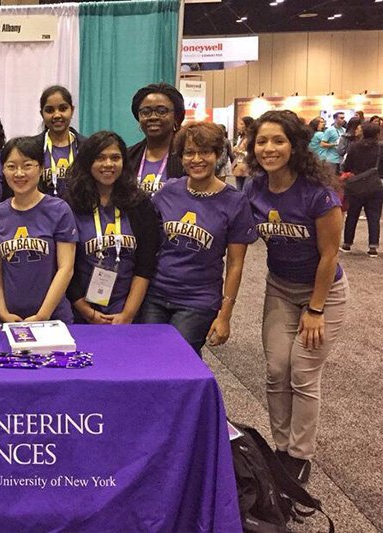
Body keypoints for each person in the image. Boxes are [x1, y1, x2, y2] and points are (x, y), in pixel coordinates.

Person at [244, 110, 348, 484]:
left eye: (278, 141)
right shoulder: (253, 189)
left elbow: (330, 255)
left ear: (294, 145)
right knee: (275, 371)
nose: (269, 148)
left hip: (324, 293)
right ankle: (281, 447)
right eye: (261, 141)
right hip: (280, 288)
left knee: (303, 373)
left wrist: (316, 309)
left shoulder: (318, 194)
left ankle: (300, 455)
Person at [138, 121, 257, 356]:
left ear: (217, 154)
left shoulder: (234, 201)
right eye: (189, 153)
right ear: (180, 158)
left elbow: (235, 264)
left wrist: (225, 314)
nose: (197, 159)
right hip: (156, 294)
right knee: (150, 357)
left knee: (175, 356)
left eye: (204, 152)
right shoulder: (168, 191)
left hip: (198, 299)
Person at [64, 131, 161, 324]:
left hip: (127, 310)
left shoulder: (140, 204)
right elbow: (65, 265)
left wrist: (128, 314)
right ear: (87, 162)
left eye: (115, 158)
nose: (108, 164)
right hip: (81, 311)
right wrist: (86, 311)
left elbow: (145, 265)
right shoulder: (70, 204)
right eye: (100, 158)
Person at [0, 136, 78, 324]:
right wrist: (2, 311)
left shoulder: (59, 210)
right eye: (11, 166)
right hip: (11, 319)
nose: (19, 173)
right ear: (3, 170)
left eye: (27, 165)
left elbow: (66, 268)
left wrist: (42, 316)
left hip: (53, 318)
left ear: (41, 168)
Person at [128, 83, 186, 195]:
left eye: (162, 111)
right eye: (145, 112)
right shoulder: (128, 156)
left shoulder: (188, 156)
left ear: (176, 117)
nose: (153, 117)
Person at [31, 85, 85, 197]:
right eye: (50, 110)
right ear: (42, 114)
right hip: (42, 213)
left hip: (79, 213)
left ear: (72, 110)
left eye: (63, 108)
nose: (56, 115)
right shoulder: (32, 148)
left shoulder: (86, 147)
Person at [341, 121, 383, 258]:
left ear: (363, 132)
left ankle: (347, 244)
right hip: (375, 185)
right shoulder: (380, 148)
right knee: (374, 216)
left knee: (352, 214)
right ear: (377, 133)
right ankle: (373, 247)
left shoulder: (354, 146)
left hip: (356, 185)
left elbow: (346, 166)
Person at [232, 116, 254, 190]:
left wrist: (240, 152)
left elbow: (253, 154)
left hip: (248, 167)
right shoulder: (241, 137)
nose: (239, 126)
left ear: (247, 125)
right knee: (239, 190)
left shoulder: (251, 138)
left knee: (246, 190)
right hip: (239, 166)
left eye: (241, 124)